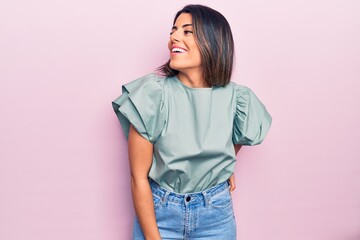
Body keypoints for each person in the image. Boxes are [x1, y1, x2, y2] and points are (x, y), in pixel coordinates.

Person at [112, 4, 272, 240]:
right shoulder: (152, 95)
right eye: (173, 31)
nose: (174, 37)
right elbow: (139, 178)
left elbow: (235, 140)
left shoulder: (237, 98)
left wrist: (217, 167)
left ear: (213, 41)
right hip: (160, 214)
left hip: (215, 215)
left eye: (187, 31)